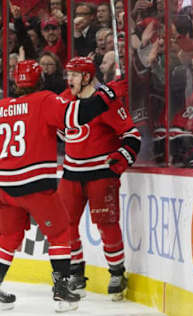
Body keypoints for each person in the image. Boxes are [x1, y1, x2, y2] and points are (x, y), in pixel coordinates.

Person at [0, 60, 125, 312]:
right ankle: (62, 291)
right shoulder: (45, 100)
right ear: (39, 80)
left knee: (7, 236)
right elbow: (79, 115)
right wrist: (108, 93)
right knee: (61, 232)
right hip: (35, 188)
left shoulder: (0, 108)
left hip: (4, 188)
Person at [57, 57, 141, 301]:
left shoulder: (108, 102)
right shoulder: (64, 99)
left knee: (106, 224)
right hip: (71, 173)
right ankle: (75, 272)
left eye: (73, 74)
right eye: (68, 74)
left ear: (86, 77)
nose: (68, 79)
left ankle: (117, 272)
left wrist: (121, 159)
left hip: (101, 173)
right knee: (65, 224)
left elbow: (132, 136)